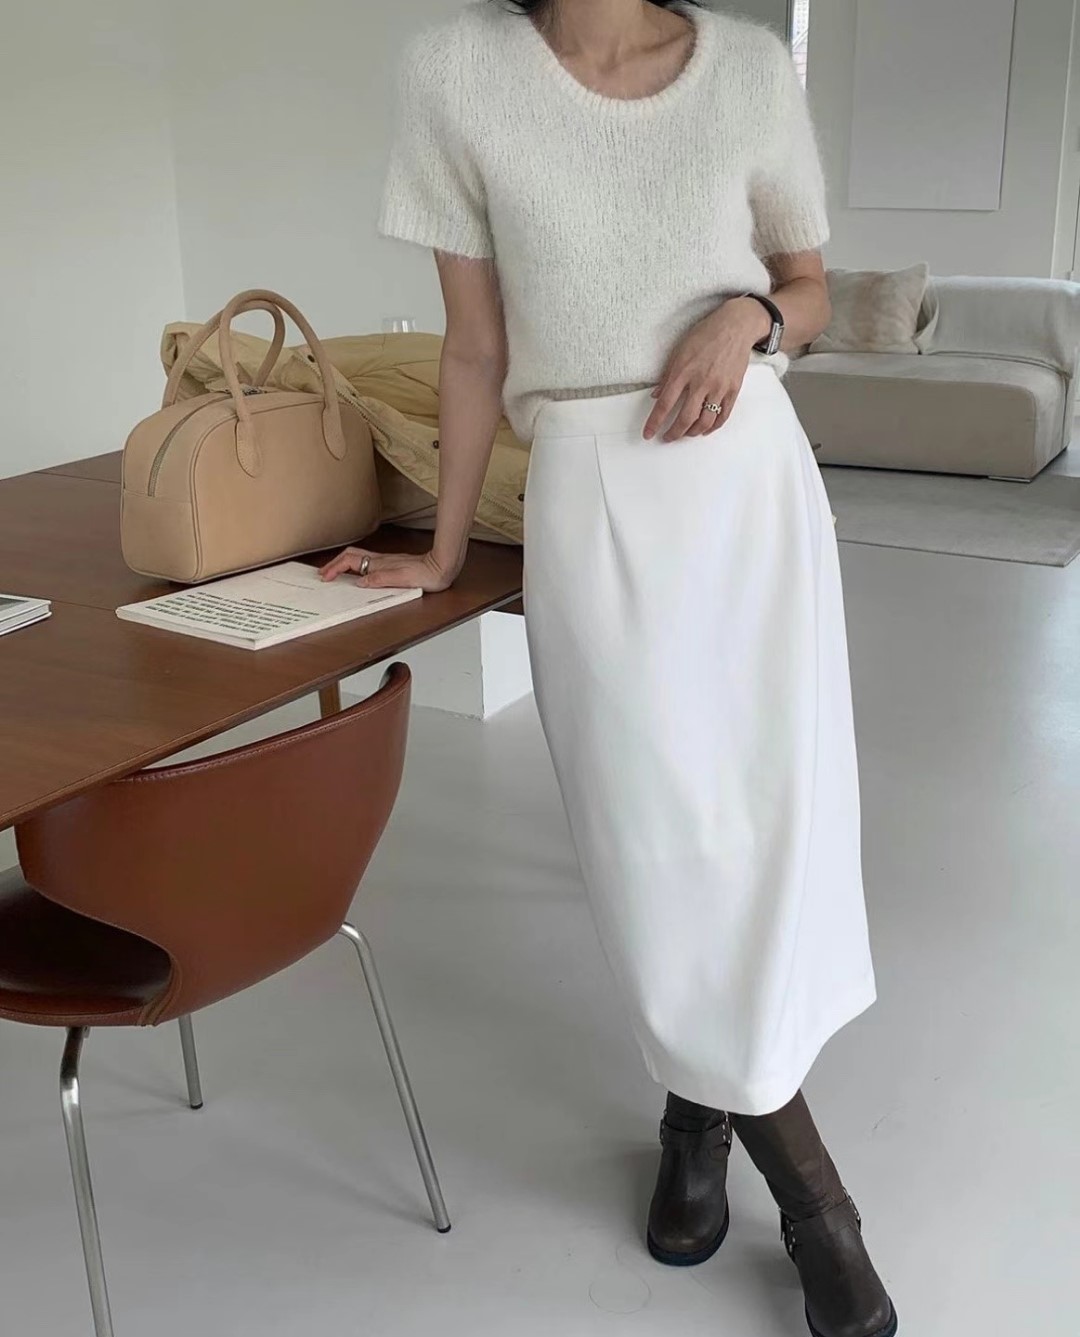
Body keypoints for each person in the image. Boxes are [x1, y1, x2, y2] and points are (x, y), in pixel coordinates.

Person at [321, 3, 895, 1333]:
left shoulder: (747, 66)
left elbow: (812, 287)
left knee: (760, 832)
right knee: (657, 841)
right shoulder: (456, 70)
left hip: (750, 490)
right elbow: (475, 345)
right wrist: (443, 548)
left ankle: (698, 1119)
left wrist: (751, 314)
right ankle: (819, 1204)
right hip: (591, 487)